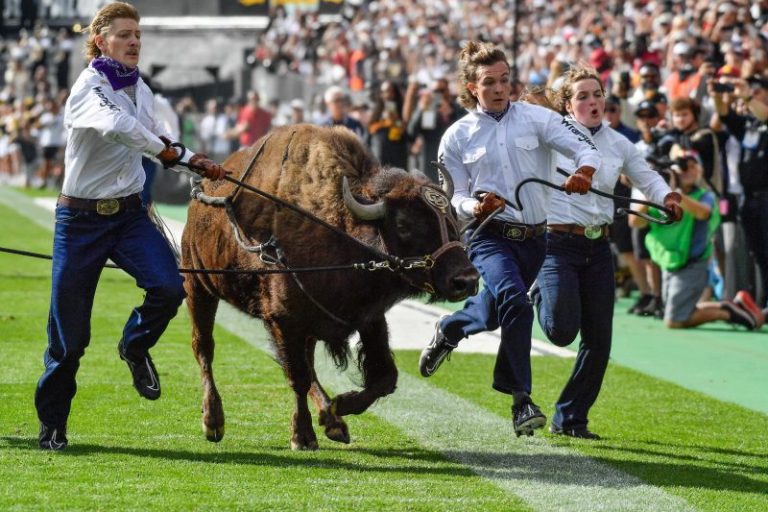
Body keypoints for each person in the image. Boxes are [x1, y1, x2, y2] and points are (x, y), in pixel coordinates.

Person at [34, 1, 228, 451]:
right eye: (124, 34)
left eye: (137, 35)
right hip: (80, 221)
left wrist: (191, 163)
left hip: (127, 215)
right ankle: (52, 426)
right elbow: (122, 129)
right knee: (69, 337)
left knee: (169, 287)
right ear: (100, 40)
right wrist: (179, 156)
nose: (134, 42)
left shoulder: (140, 87)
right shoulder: (89, 87)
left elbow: (157, 136)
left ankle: (134, 346)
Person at [418, 42, 602, 438]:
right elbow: (453, 197)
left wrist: (585, 170)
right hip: (489, 238)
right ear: (471, 87)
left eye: (504, 80)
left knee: (492, 311)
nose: (500, 88)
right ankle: (521, 401)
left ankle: (450, 329)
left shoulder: (537, 118)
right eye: (489, 82)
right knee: (517, 302)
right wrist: (476, 206)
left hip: (536, 238)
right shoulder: (456, 136)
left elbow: (584, 147)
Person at [530, 66, 682, 439]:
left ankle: (570, 418)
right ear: (567, 105)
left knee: (600, 341)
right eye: (582, 96)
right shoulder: (553, 136)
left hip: (598, 247)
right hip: (557, 245)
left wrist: (668, 197)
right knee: (561, 331)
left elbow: (646, 176)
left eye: (597, 94)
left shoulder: (618, 143)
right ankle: (540, 294)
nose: (593, 101)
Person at [635, 151, 764, 330]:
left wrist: (674, 193)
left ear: (700, 171)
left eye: (693, 166)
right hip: (669, 262)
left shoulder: (705, 195)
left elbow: (703, 213)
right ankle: (729, 306)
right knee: (678, 312)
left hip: (692, 262)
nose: (688, 171)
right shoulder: (659, 196)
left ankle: (728, 313)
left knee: (674, 321)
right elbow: (635, 222)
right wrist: (654, 191)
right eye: (683, 167)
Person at [713, 74, 768, 308]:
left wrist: (746, 95)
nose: (751, 95)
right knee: (759, 253)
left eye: (758, 91)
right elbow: (724, 117)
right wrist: (717, 94)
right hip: (749, 198)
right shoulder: (750, 125)